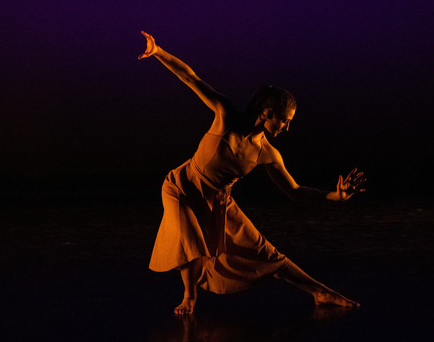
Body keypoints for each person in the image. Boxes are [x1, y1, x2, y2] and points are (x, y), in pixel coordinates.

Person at [138, 31, 365, 314]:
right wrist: (158, 51)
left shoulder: (268, 153)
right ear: (268, 112)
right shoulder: (226, 116)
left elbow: (293, 190)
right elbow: (190, 78)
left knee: (264, 252)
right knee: (191, 240)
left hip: (219, 199)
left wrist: (334, 196)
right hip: (181, 187)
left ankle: (320, 291)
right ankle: (190, 296)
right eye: (284, 120)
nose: (286, 127)